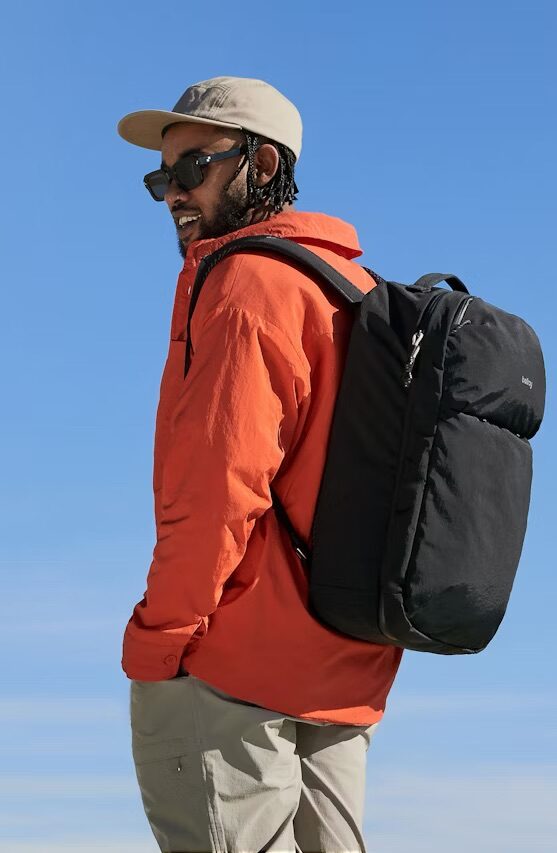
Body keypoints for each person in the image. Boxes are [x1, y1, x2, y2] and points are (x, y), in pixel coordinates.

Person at [117, 76, 403, 853]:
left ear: (265, 165)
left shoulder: (245, 284)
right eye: (160, 178)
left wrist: (158, 642)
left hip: (234, 672)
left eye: (192, 169)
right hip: (344, 669)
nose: (173, 194)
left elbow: (215, 489)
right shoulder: (351, 290)